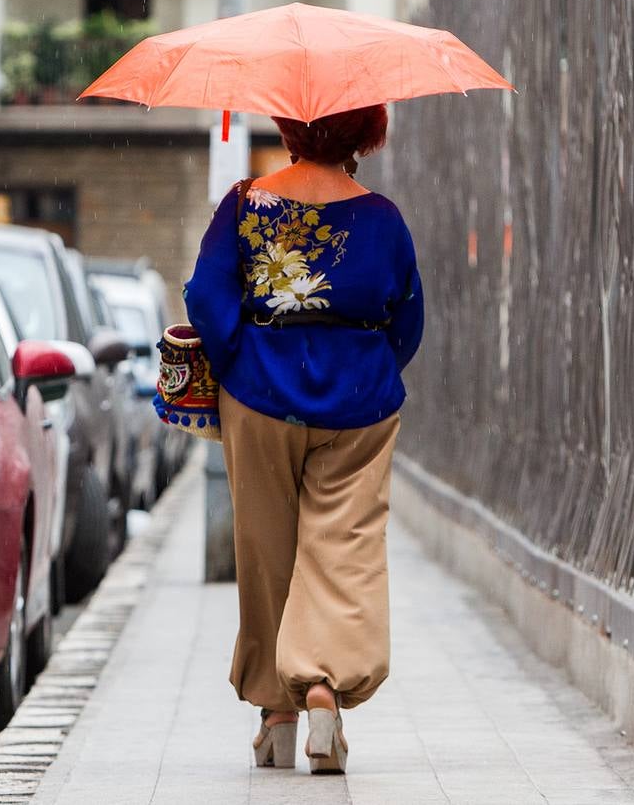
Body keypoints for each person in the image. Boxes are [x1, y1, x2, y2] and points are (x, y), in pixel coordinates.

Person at [184, 103, 424, 775]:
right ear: (364, 134)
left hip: (259, 394)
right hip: (358, 402)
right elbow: (407, 315)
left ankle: (277, 718)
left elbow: (205, 295)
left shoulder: (245, 205)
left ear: (290, 129)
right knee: (340, 548)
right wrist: (367, 369)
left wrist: (238, 361)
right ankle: (322, 689)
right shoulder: (382, 217)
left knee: (266, 550)